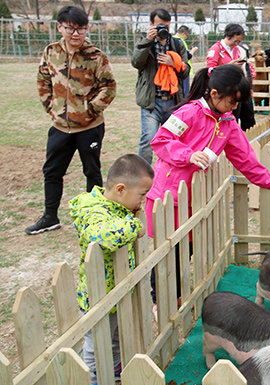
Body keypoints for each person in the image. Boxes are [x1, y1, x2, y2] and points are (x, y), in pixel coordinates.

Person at [145, 64, 270, 308]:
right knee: (166, 254)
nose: (235, 107)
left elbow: (245, 157)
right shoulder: (188, 113)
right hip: (168, 196)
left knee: (185, 250)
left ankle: (174, 296)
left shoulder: (228, 122)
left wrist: (268, 181)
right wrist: (187, 155)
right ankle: (159, 301)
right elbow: (161, 140)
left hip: (193, 199)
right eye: (232, 102)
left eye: (238, 103)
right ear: (215, 94)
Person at [26, 5, 117, 235]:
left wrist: (89, 112)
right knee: (52, 171)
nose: (75, 34)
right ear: (60, 27)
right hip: (59, 127)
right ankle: (50, 217)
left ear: (87, 29)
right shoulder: (50, 52)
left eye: (81, 29)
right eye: (70, 28)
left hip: (90, 127)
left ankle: (94, 216)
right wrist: (52, 109)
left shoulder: (96, 56)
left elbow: (109, 87)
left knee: (92, 171)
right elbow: (43, 81)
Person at [69, 154, 154, 385]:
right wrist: (135, 225)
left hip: (115, 294)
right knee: (97, 348)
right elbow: (101, 237)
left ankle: (114, 376)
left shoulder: (118, 206)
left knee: (114, 341)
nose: (143, 201)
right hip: (98, 298)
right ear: (120, 189)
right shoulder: (92, 210)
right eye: (142, 194)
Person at [131, 8, 189, 165]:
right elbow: (136, 63)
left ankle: (170, 171)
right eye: (159, 26)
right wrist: (147, 42)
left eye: (167, 26)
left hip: (172, 101)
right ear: (151, 24)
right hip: (152, 101)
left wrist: (174, 64)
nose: (164, 30)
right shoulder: (144, 42)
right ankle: (143, 176)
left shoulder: (176, 44)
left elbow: (185, 72)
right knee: (148, 140)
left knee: (173, 140)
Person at [206, 23, 256, 130]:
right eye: (235, 41)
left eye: (239, 42)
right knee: (230, 118)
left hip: (236, 87)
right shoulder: (216, 49)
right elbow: (210, 70)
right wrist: (228, 66)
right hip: (224, 90)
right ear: (228, 36)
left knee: (245, 115)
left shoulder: (238, 50)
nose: (237, 44)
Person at [173, 25, 199, 97]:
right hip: (183, 69)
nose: (186, 37)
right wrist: (193, 51)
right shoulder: (180, 41)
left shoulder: (172, 40)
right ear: (183, 34)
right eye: (187, 35)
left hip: (176, 70)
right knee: (185, 92)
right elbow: (187, 56)